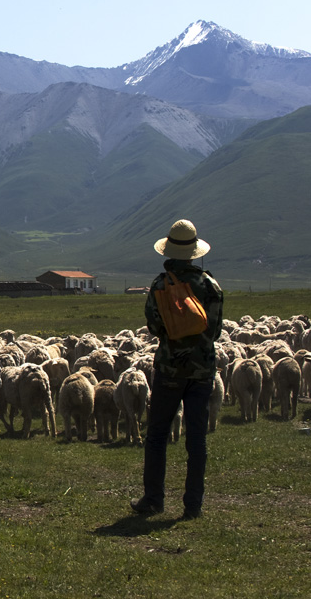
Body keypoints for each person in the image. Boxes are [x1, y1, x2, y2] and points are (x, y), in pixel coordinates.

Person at [130, 219, 224, 520]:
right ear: (195, 252)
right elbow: (216, 330)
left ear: (168, 251)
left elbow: (155, 326)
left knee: (157, 433)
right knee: (197, 438)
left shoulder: (160, 285)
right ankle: (193, 504)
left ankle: (153, 499)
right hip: (201, 372)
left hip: (170, 368)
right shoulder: (210, 285)